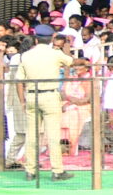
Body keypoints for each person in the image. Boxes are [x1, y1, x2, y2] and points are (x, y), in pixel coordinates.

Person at [5, 35, 71, 178]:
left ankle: (30, 170)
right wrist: (66, 49)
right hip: (49, 95)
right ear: (51, 40)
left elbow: (19, 80)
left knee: (31, 135)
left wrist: (22, 101)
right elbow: (70, 61)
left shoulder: (26, 56)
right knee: (53, 135)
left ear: (35, 41)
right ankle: (57, 171)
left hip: (31, 95)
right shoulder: (55, 53)